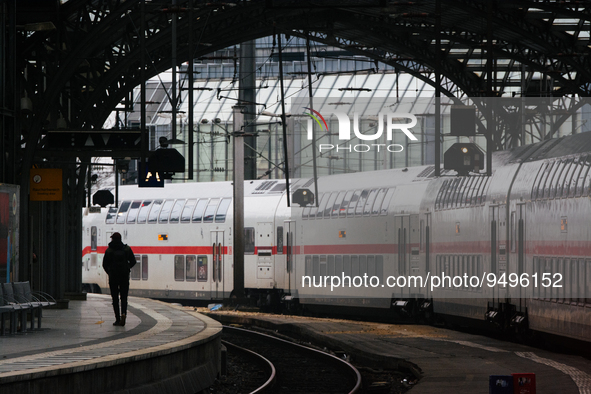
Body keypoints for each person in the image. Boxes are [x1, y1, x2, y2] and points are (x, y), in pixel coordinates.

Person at [103, 232, 136, 326]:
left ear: (112, 239)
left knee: (115, 299)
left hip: (113, 277)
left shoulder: (109, 250)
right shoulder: (126, 249)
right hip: (124, 277)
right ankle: (123, 314)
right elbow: (133, 261)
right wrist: (127, 268)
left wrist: (110, 272)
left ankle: (117, 319)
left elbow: (104, 264)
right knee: (124, 298)